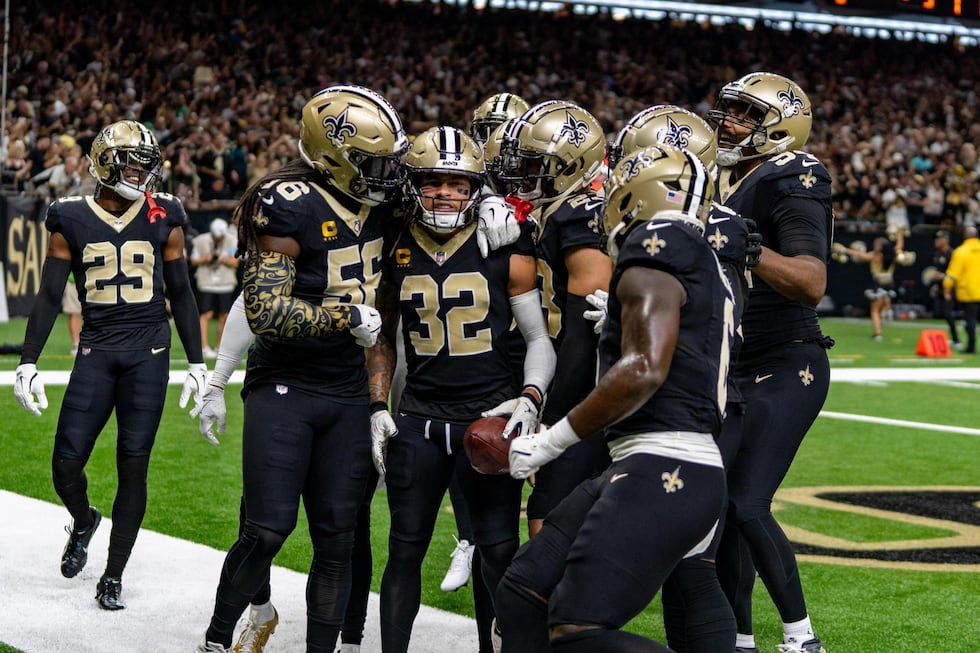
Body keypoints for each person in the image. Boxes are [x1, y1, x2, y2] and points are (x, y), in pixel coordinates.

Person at [494, 144, 733, 653]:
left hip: (665, 462)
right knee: (523, 589)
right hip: (653, 460)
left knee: (579, 631)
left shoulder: (659, 238)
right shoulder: (700, 253)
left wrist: (551, 441)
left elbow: (644, 368)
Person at [194, 84, 406, 653]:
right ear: (335, 156)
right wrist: (345, 317)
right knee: (266, 529)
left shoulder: (388, 202)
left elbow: (448, 190)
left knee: (338, 540)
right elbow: (264, 309)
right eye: (371, 162)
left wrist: (491, 202)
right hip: (284, 383)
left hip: (344, 392)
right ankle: (217, 638)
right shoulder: (287, 200)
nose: (387, 174)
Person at [372, 125, 555, 653]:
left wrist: (531, 395)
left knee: (499, 550)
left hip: (489, 416)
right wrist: (376, 404)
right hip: (420, 417)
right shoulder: (392, 239)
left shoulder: (504, 240)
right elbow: (383, 333)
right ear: (413, 183)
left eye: (459, 183)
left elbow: (539, 337)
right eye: (434, 181)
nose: (446, 193)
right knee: (404, 547)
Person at [12, 119, 207, 611]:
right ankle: (83, 519)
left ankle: (113, 573)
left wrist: (199, 363)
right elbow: (50, 293)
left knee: (133, 466)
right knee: (65, 462)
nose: (141, 173)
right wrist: (28, 359)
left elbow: (182, 294)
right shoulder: (70, 216)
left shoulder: (167, 213)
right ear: (104, 162)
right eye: (132, 162)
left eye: (147, 164)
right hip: (96, 351)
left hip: (149, 354)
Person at [707, 71, 834, 653]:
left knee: (747, 500)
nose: (729, 124)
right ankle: (739, 638)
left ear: (780, 127)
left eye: (744, 116)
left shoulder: (795, 172)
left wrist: (750, 249)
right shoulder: (728, 178)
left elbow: (810, 283)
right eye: (728, 111)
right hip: (734, 365)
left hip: (787, 361)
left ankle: (801, 638)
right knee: (722, 510)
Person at [497, 99, 613, 540]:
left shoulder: (581, 212)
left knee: (553, 521)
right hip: (572, 380)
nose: (523, 176)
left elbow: (584, 329)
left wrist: (553, 419)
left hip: (591, 392)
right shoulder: (557, 208)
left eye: (534, 165)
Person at [834, 233, 905, 341]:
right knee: (881, 306)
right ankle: (887, 309)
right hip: (889, 284)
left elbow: (860, 255)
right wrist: (900, 234)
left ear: (880, 246)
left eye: (877, 244)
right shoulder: (892, 255)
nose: (874, 245)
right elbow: (899, 246)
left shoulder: (876, 257)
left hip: (878, 285)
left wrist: (844, 250)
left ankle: (877, 334)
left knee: (874, 311)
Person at [190, 217, 240, 357]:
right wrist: (204, 259)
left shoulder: (231, 241)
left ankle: (219, 347)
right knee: (206, 314)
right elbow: (193, 261)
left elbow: (235, 263)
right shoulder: (200, 240)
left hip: (225, 283)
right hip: (206, 283)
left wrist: (223, 259)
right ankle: (204, 348)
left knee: (224, 316)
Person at [943, 225, 980, 354]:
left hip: (968, 292)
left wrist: (946, 286)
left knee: (970, 320)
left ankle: (971, 347)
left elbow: (953, 274)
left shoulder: (961, 251)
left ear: (965, 236)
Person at [928, 230, 960, 346]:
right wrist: (936, 285)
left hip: (951, 288)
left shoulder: (953, 254)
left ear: (945, 240)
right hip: (942, 287)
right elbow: (939, 271)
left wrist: (942, 278)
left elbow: (956, 273)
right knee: (943, 313)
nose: (936, 241)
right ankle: (955, 338)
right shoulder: (937, 254)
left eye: (939, 239)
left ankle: (956, 340)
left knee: (948, 313)